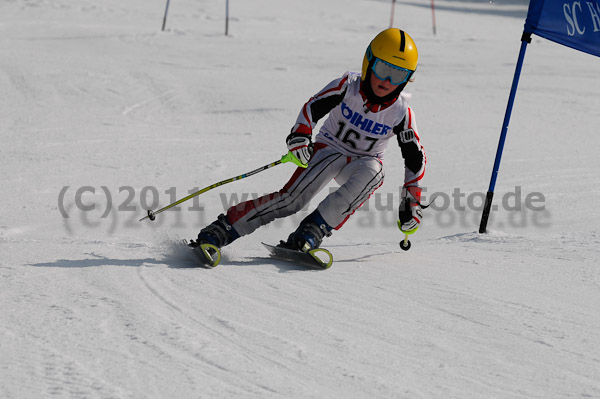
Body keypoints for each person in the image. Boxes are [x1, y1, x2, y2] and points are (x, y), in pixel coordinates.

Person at [189, 28, 426, 253]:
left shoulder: (401, 112)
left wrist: (411, 200)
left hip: (363, 162)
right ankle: (223, 229)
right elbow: (313, 107)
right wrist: (301, 137)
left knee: (375, 173)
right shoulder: (348, 86)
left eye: (398, 74)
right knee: (291, 200)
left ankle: (312, 231)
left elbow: (415, 157)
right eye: (383, 68)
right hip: (328, 150)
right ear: (369, 62)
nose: (388, 80)